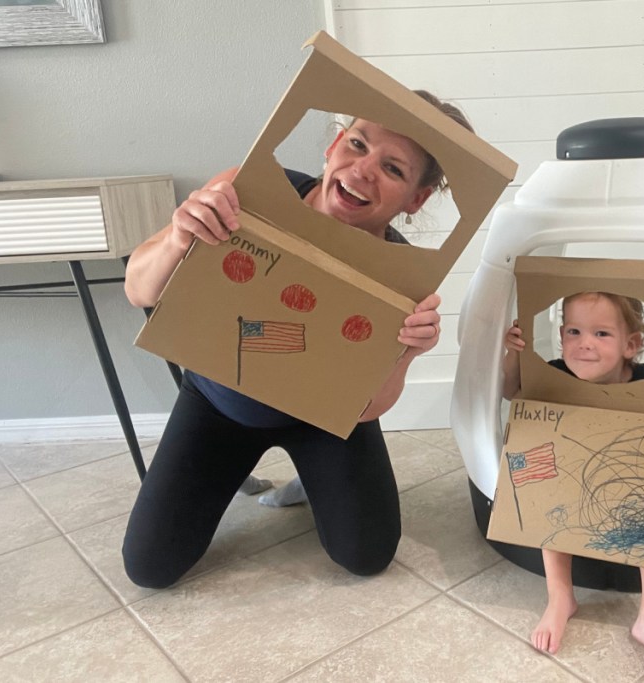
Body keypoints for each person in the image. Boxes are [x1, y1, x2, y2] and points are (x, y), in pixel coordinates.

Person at [121, 91, 473, 588]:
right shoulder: (247, 190)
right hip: (221, 403)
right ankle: (245, 470)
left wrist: (406, 354)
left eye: (393, 169)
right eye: (356, 143)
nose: (363, 169)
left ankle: (311, 479)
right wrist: (180, 239)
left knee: (366, 555)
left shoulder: (404, 276)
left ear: (416, 200)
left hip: (325, 419)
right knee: (149, 567)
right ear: (332, 146)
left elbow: (367, 409)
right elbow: (138, 288)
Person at [501, 291, 644, 674]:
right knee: (547, 487)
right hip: (576, 487)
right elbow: (513, 393)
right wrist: (514, 354)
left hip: (633, 489)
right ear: (561, 337)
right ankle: (561, 598)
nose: (584, 344)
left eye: (601, 334)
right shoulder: (554, 374)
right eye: (574, 331)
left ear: (632, 345)